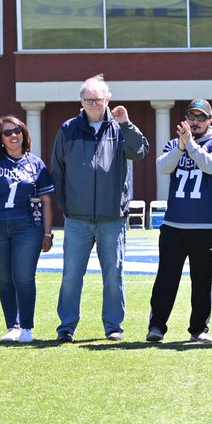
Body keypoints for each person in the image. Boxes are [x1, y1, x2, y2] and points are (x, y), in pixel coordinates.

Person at [51, 74, 149, 343]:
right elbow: (57, 171)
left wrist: (127, 123)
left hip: (112, 218)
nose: (94, 103)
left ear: (108, 99)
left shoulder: (120, 128)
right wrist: (67, 206)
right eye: (89, 99)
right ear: (81, 101)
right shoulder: (68, 129)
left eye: (99, 98)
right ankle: (67, 327)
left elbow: (140, 151)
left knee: (113, 273)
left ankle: (113, 326)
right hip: (77, 219)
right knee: (71, 275)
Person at [147, 98, 212, 344]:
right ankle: (157, 326)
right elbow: (163, 167)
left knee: (202, 280)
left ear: (210, 121)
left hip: (205, 226)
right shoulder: (175, 143)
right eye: (191, 116)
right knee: (166, 278)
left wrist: (191, 146)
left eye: (201, 117)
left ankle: (199, 329)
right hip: (174, 224)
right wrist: (181, 147)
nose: (195, 121)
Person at [0, 114, 55, 343]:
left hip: (27, 226)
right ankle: (12, 326)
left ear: (24, 133)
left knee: (24, 276)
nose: (13, 135)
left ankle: (27, 327)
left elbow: (47, 201)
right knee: (5, 278)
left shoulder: (35, 163)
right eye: (7, 132)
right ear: (1, 137)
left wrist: (48, 233)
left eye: (17, 131)